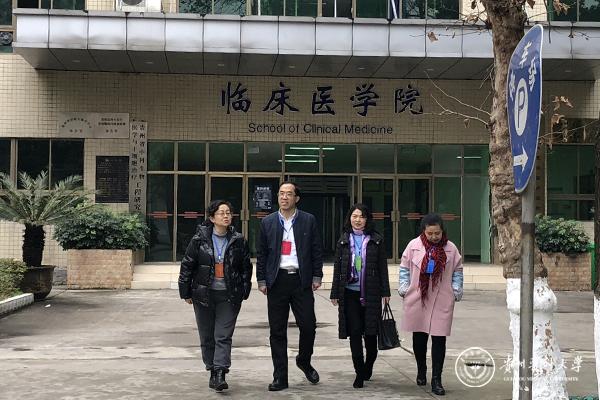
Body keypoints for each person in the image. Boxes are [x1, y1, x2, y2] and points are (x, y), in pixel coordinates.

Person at [178, 200, 253, 392]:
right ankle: (212, 369)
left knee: (223, 335)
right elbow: (187, 265)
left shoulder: (238, 240)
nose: (226, 216)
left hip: (229, 295)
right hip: (204, 295)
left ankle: (220, 372)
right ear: (212, 218)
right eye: (221, 213)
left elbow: (246, 267)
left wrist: (244, 289)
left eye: (228, 213)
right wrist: (185, 292)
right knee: (207, 336)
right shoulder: (199, 239)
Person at [256, 181, 323, 391]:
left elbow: (316, 249)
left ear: (297, 198)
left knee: (308, 326)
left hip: (301, 280)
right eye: (281, 193)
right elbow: (262, 253)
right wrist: (261, 279)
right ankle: (280, 377)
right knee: (277, 331)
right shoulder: (267, 222)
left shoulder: (308, 220)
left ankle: (304, 360)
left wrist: (317, 275)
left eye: (289, 194)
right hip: (277, 280)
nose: (284, 197)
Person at [398, 213, 463, 396]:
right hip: (418, 296)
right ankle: (421, 369)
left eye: (437, 233)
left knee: (439, 339)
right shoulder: (413, 246)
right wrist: (404, 287)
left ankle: (437, 379)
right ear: (423, 232)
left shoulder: (451, 248)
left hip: (442, 298)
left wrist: (456, 289)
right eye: (430, 233)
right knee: (419, 338)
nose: (434, 237)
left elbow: (458, 270)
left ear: (443, 231)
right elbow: (404, 268)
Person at [330, 204, 391, 389]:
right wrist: (334, 292)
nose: (357, 220)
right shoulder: (343, 240)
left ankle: (368, 365)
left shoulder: (376, 240)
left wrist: (386, 291)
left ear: (367, 219)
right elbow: (337, 268)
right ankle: (359, 372)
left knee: (371, 334)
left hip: (371, 293)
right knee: (355, 332)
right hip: (349, 293)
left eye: (361, 216)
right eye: (354, 216)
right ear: (350, 218)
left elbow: (382, 267)